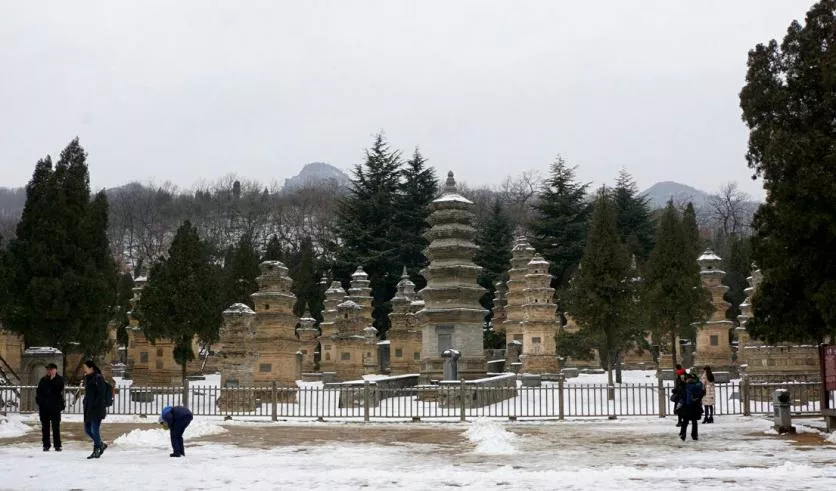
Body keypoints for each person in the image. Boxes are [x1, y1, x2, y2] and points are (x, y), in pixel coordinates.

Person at [82, 360, 108, 459]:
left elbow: (101, 394)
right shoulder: (88, 378)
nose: (84, 369)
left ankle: (96, 449)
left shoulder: (98, 377)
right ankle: (101, 444)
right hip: (88, 408)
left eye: (85, 368)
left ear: (91, 368)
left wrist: (95, 404)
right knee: (87, 429)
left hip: (97, 408)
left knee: (94, 429)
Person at [35, 363, 65, 452]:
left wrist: (52, 380)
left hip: (55, 407)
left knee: (56, 427)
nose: (49, 371)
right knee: (45, 427)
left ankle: (57, 445)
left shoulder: (59, 379)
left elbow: (58, 389)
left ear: (55, 370)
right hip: (44, 407)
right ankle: (46, 445)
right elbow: (39, 392)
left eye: (51, 369)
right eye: (48, 369)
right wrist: (39, 402)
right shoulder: (43, 379)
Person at [678, 369, 705, 441]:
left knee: (685, 421)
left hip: (687, 405)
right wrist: (698, 399)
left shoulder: (687, 385)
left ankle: (683, 434)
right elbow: (703, 392)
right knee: (694, 421)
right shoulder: (699, 385)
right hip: (696, 405)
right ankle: (694, 435)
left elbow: (683, 395)